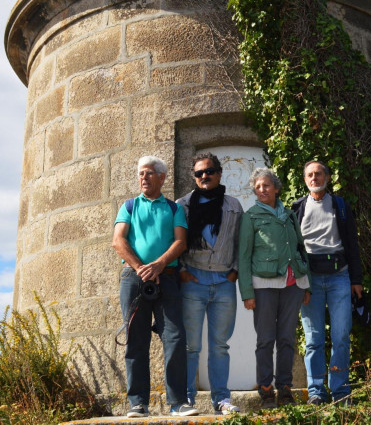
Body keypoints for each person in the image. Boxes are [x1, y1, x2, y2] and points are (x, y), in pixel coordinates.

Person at [112, 156, 198, 418]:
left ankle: (178, 403)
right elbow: (118, 240)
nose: (144, 178)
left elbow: (180, 242)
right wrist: (142, 269)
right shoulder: (128, 206)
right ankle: (138, 403)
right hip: (134, 279)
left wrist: (159, 265)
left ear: (162, 177)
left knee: (174, 337)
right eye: (140, 174)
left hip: (167, 278)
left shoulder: (174, 209)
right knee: (136, 340)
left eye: (149, 173)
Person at [238, 167, 311, 409]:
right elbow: (244, 256)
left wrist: (306, 284)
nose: (261, 190)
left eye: (266, 185)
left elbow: (301, 249)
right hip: (264, 286)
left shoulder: (289, 215)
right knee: (266, 339)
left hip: (293, 285)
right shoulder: (251, 217)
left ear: (276, 188)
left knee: (287, 338)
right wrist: (247, 293)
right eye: (257, 187)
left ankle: (285, 388)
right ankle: (266, 389)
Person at [291, 160, 363, 405]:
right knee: (313, 339)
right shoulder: (297, 207)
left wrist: (356, 280)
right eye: (310, 174)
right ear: (305, 180)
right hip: (309, 279)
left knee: (342, 335)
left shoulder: (340, 205)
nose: (314, 178)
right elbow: (293, 249)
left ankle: (341, 391)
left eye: (318, 173)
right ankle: (316, 392)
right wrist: (298, 281)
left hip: (339, 276)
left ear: (327, 177)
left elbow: (352, 244)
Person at [176, 152, 243, 415]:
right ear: (194, 176)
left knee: (220, 345)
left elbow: (241, 241)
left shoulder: (234, 205)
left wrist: (235, 270)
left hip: (224, 282)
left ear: (219, 172)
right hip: (193, 280)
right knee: (191, 345)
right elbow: (175, 241)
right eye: (199, 173)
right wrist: (181, 270)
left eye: (210, 171)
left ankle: (221, 400)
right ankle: (187, 399)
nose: (205, 176)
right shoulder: (182, 205)